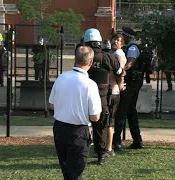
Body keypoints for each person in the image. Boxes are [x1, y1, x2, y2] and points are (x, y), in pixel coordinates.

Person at [49, 46, 101, 180]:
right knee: (75, 174)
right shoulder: (90, 85)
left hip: (60, 129)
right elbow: (95, 117)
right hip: (78, 132)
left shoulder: (61, 78)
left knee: (67, 172)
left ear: (75, 59)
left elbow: (52, 103)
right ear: (90, 62)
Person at [84, 28, 124, 164]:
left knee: (81, 123)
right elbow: (119, 71)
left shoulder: (83, 55)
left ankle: (81, 149)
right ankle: (101, 154)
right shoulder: (107, 57)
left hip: (83, 95)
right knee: (100, 126)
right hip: (101, 97)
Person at [113, 26, 144, 150]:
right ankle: (137, 140)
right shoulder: (132, 47)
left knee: (122, 112)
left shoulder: (132, 48)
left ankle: (116, 142)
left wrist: (121, 70)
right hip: (134, 83)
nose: (121, 38)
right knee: (131, 112)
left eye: (123, 36)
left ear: (127, 36)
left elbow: (130, 62)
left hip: (132, 83)